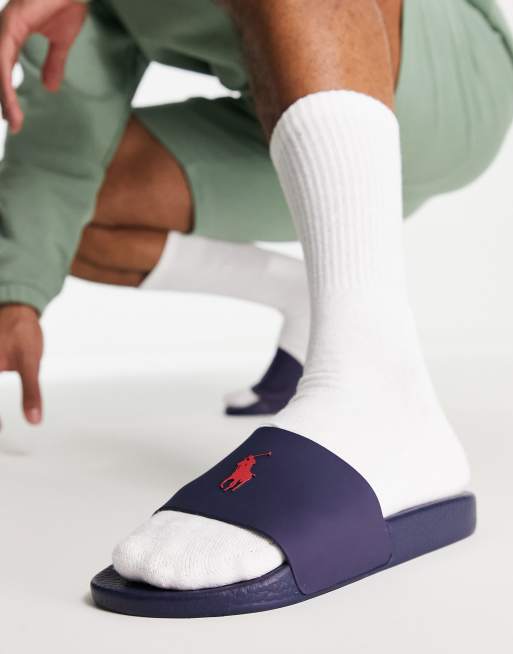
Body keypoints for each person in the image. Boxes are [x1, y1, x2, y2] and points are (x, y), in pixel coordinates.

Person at [1, 0, 512, 615]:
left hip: (442, 79)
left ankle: (372, 385)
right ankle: (315, 301)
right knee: (64, 218)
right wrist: (17, 297)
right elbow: (59, 154)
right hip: (299, 126)